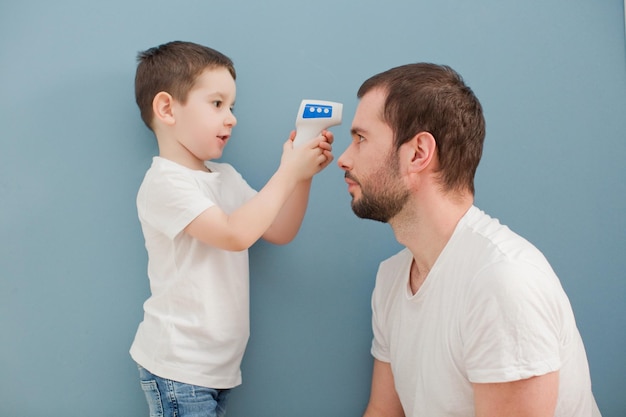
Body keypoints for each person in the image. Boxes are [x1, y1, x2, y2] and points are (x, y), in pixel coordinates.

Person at [337, 63, 600, 417]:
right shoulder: (392, 279)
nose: (343, 158)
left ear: (418, 153)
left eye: (360, 138)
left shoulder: (503, 283)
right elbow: (384, 412)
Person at [129, 41, 334, 417]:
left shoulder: (225, 177)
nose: (231, 118)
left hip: (216, 369)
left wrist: (300, 177)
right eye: (217, 103)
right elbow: (233, 234)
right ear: (166, 108)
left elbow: (279, 229)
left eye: (232, 106)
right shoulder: (165, 184)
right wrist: (287, 172)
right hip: (179, 367)